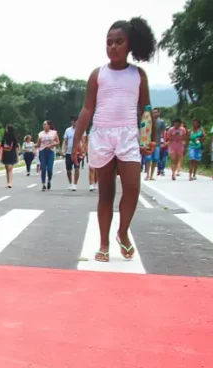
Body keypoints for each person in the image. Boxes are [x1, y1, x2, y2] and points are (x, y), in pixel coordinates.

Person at [72, 17, 157, 263]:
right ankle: (104, 243)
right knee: (105, 193)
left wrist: (150, 138)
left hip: (129, 135)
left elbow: (146, 108)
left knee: (132, 187)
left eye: (119, 42)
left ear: (129, 45)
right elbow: (87, 109)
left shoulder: (138, 74)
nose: (113, 47)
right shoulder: (98, 75)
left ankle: (122, 231)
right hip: (102, 135)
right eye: (109, 43)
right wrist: (76, 141)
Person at [37, 120, 59, 191]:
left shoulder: (54, 133)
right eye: (43, 124)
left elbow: (58, 142)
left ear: (49, 125)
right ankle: (43, 184)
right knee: (43, 168)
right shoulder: (40, 134)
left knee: (49, 169)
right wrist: (36, 145)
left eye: (45, 124)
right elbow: (38, 144)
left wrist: (51, 145)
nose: (44, 126)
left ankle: (49, 180)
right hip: (42, 151)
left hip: (50, 151)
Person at [62, 116, 80, 191]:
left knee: (76, 168)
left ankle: (75, 184)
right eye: (72, 121)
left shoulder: (81, 129)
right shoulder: (68, 130)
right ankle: (70, 183)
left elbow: (84, 140)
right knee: (68, 170)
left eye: (75, 121)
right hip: (69, 152)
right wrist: (63, 149)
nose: (73, 123)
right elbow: (65, 141)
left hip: (77, 152)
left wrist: (83, 151)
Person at [0, 124, 19, 188]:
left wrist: (17, 156)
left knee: (10, 168)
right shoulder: (4, 138)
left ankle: (10, 182)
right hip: (5, 154)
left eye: (7, 128)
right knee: (7, 168)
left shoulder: (13, 138)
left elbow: (16, 147)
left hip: (12, 154)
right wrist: (0, 156)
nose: (6, 130)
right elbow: (1, 147)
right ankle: (7, 182)